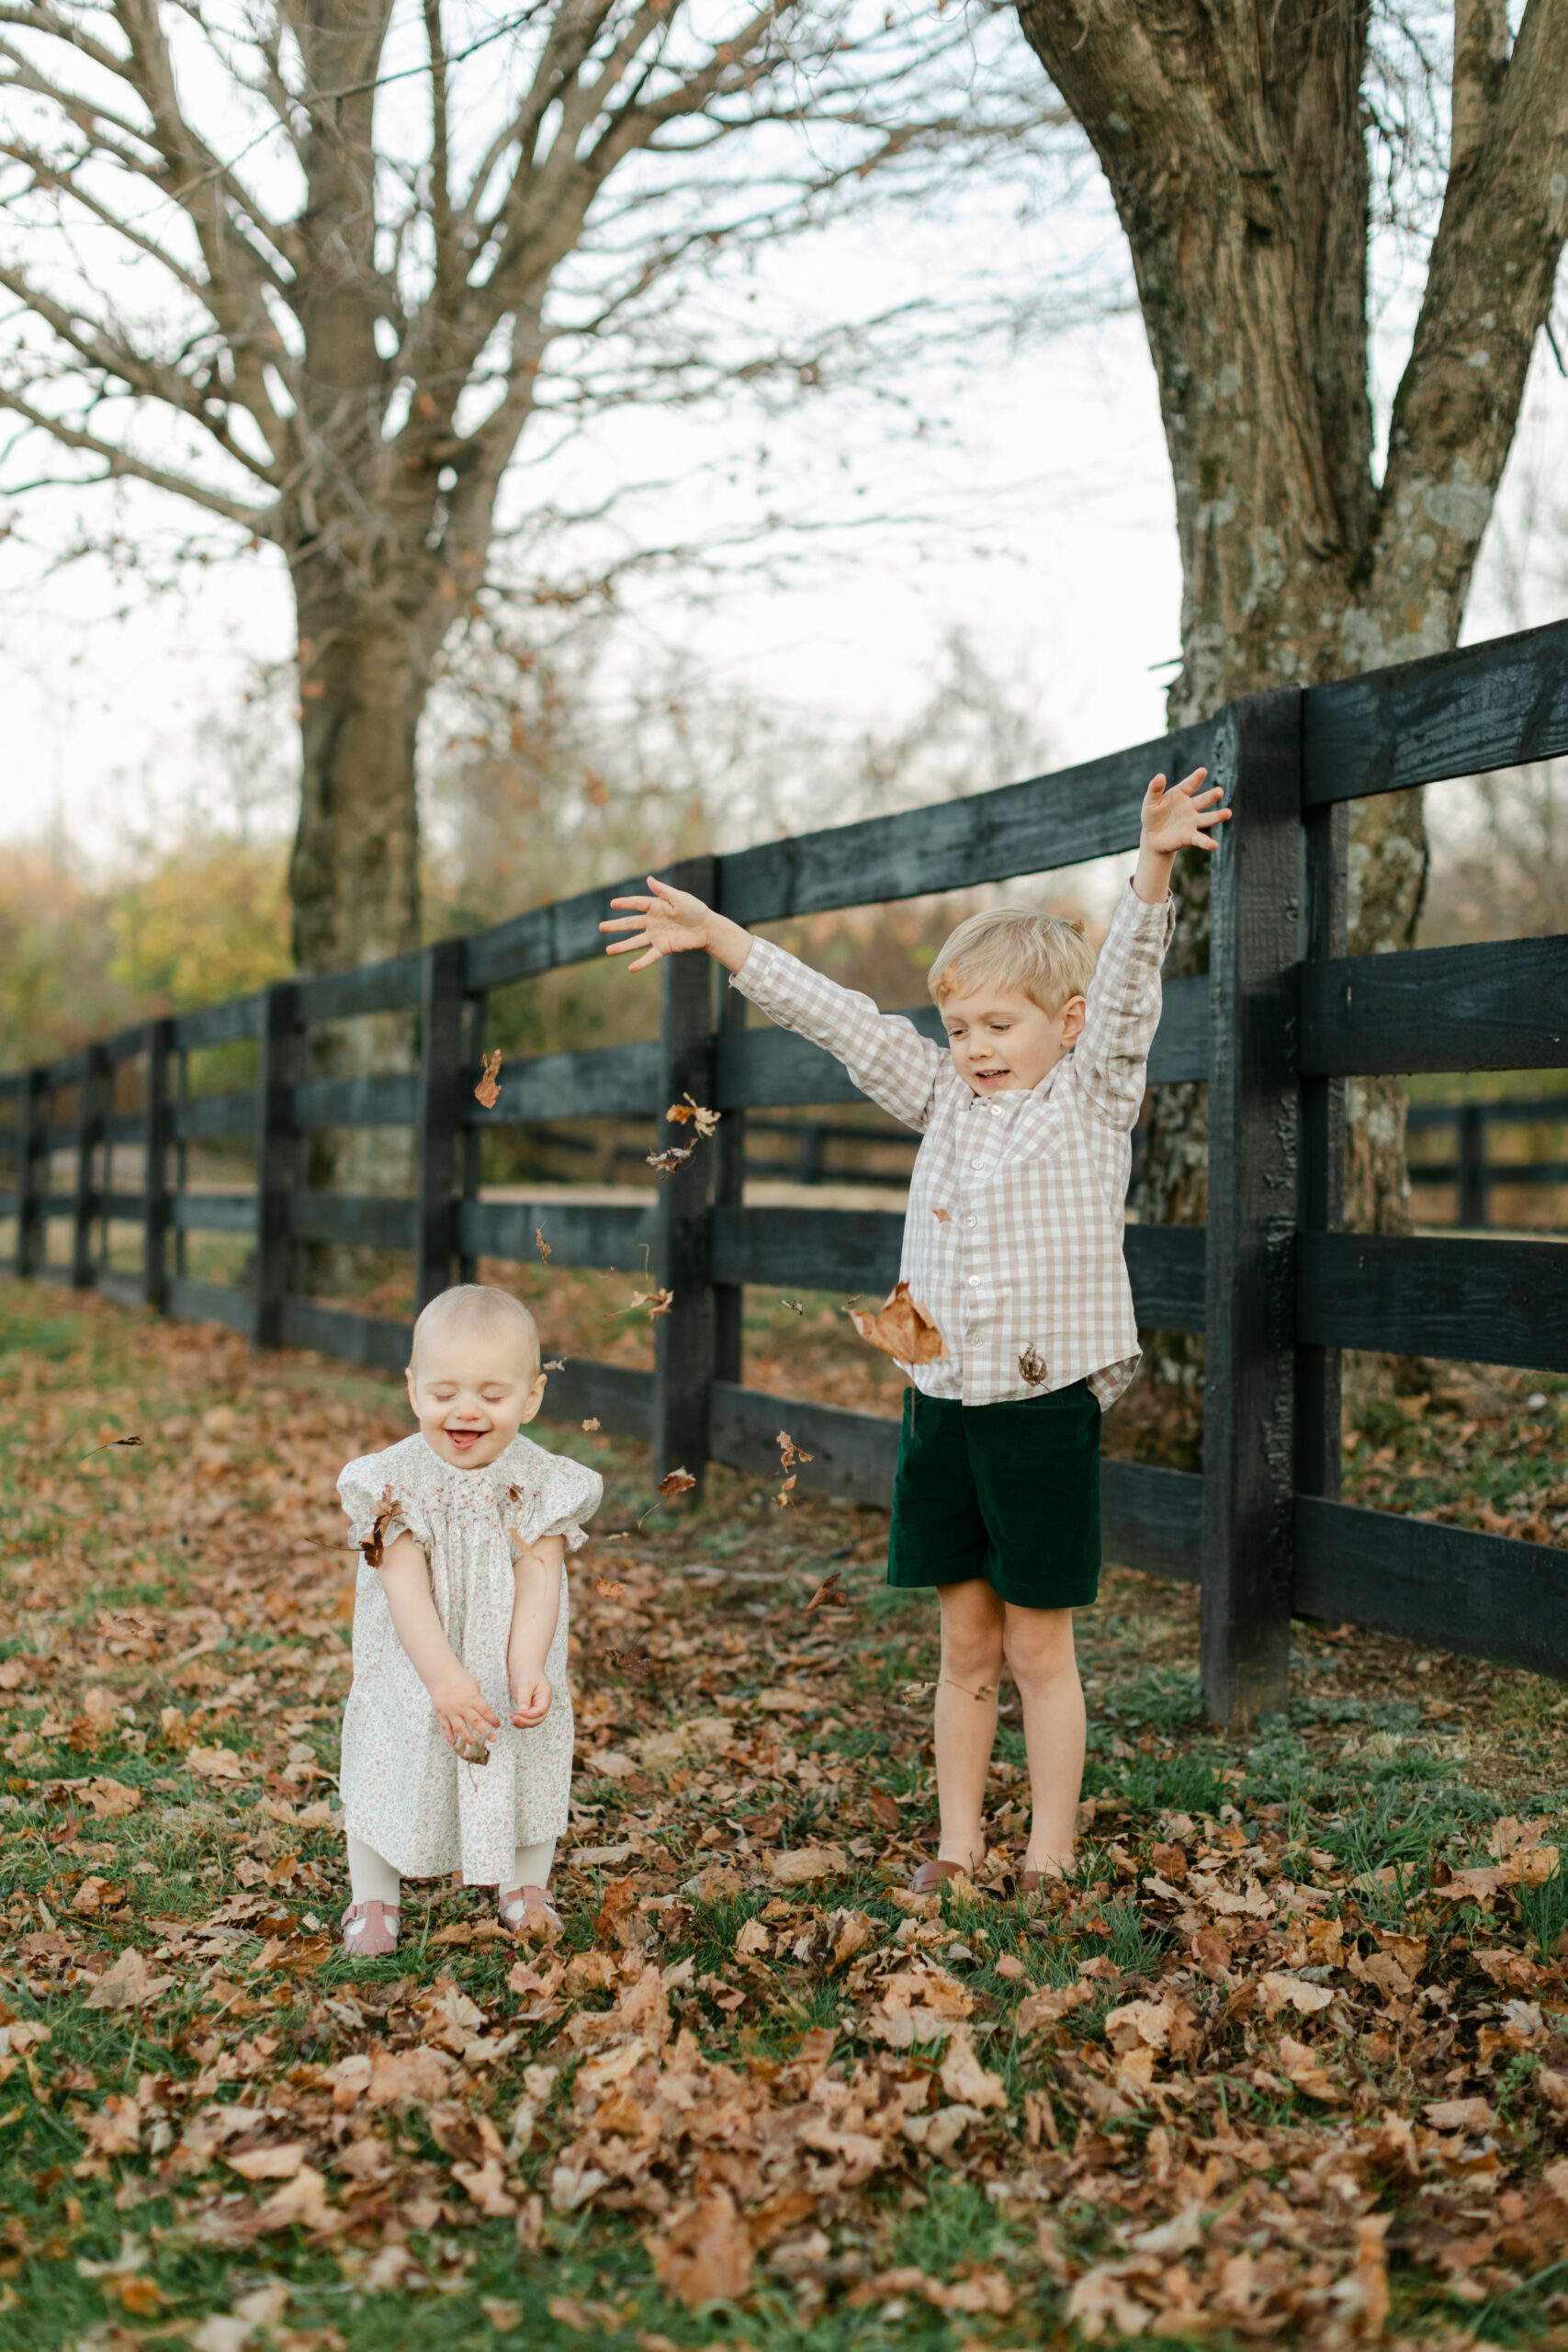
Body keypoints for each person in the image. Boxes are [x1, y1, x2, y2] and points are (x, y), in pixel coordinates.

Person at [601, 766, 1227, 1892]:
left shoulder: (1091, 1102)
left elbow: (1132, 989)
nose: (976, 1045)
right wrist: (723, 938)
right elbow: (840, 1017)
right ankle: (955, 1843)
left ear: (1064, 1024)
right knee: (964, 1647)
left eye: (999, 1023)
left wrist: (1153, 865)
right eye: (960, 1026)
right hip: (939, 1412)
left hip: (1040, 1415)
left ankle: (1047, 1850)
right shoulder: (941, 1096)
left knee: (1039, 1645)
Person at [334, 1284, 602, 1954]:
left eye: (492, 1393)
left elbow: (542, 1574)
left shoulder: (543, 1481)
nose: (466, 1410)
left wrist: (525, 1663)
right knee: (391, 1753)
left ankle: (524, 1882)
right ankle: (372, 1895)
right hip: (415, 1659)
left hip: (507, 1650)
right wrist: (443, 1680)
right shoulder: (391, 1481)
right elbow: (402, 1587)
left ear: (532, 1397)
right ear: (413, 1387)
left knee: (525, 1744)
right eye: (445, 1391)